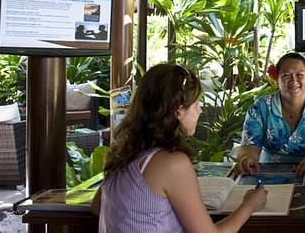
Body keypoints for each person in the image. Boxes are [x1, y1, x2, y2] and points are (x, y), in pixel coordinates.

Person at [91, 64, 267, 233]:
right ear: (178, 111)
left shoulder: (124, 152)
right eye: (197, 104)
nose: (200, 111)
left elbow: (97, 206)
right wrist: (249, 205)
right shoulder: (172, 163)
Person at [236, 53, 305, 175]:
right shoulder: (260, 108)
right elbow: (250, 146)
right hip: (270, 175)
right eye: (286, 75)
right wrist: (247, 159)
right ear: (277, 78)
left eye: (300, 75)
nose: (294, 81)